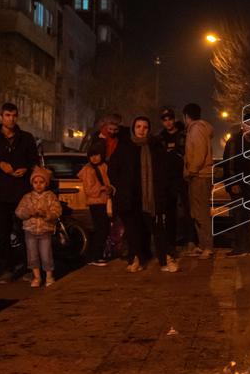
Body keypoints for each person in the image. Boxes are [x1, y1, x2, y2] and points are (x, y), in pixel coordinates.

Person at [0, 102, 39, 282]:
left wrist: (26, 169)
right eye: (7, 115)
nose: (11, 119)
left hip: (21, 192)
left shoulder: (26, 138)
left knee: (25, 230)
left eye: (14, 115)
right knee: (2, 232)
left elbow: (34, 160)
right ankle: (7, 267)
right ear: (0, 117)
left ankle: (30, 267)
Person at [109, 117, 177, 273]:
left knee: (157, 229)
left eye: (145, 127)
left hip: (151, 197)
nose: (141, 130)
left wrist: (163, 191)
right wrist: (120, 186)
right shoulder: (125, 147)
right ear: (133, 128)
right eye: (138, 126)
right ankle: (136, 258)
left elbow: (164, 171)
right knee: (133, 231)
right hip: (130, 197)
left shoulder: (155, 147)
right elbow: (113, 168)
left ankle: (165, 259)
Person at [220, 116, 250, 257]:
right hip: (238, 184)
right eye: (248, 124)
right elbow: (229, 163)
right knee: (238, 215)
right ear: (242, 125)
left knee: (248, 215)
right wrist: (233, 182)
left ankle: (247, 245)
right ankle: (239, 246)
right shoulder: (234, 140)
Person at [15, 166, 61, 288]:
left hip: (45, 230)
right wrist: (29, 212)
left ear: (46, 183)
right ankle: (36, 276)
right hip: (30, 230)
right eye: (35, 182)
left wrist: (46, 214)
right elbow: (19, 212)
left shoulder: (50, 196)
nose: (38, 185)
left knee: (46, 254)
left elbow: (57, 211)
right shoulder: (27, 197)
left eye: (41, 182)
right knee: (32, 254)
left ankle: (49, 276)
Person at [183, 103, 215, 259]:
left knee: (201, 213)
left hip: (199, 176)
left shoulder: (196, 130)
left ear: (186, 116)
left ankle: (208, 247)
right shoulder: (200, 129)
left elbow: (199, 152)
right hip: (201, 175)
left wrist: (191, 171)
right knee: (197, 212)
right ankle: (203, 245)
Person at [157, 107, 189, 250]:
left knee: (187, 211)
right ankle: (172, 241)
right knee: (169, 212)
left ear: (174, 119)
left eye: (170, 119)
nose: (168, 122)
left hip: (183, 177)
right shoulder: (160, 138)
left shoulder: (184, 134)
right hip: (167, 179)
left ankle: (190, 240)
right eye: (165, 120)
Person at [78, 141, 113, 266]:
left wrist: (110, 188)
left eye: (97, 155)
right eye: (91, 155)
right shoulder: (88, 170)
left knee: (105, 229)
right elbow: (89, 190)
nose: (94, 158)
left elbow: (110, 181)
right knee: (101, 229)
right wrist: (102, 188)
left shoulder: (104, 166)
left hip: (105, 201)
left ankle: (99, 254)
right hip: (95, 203)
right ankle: (95, 256)